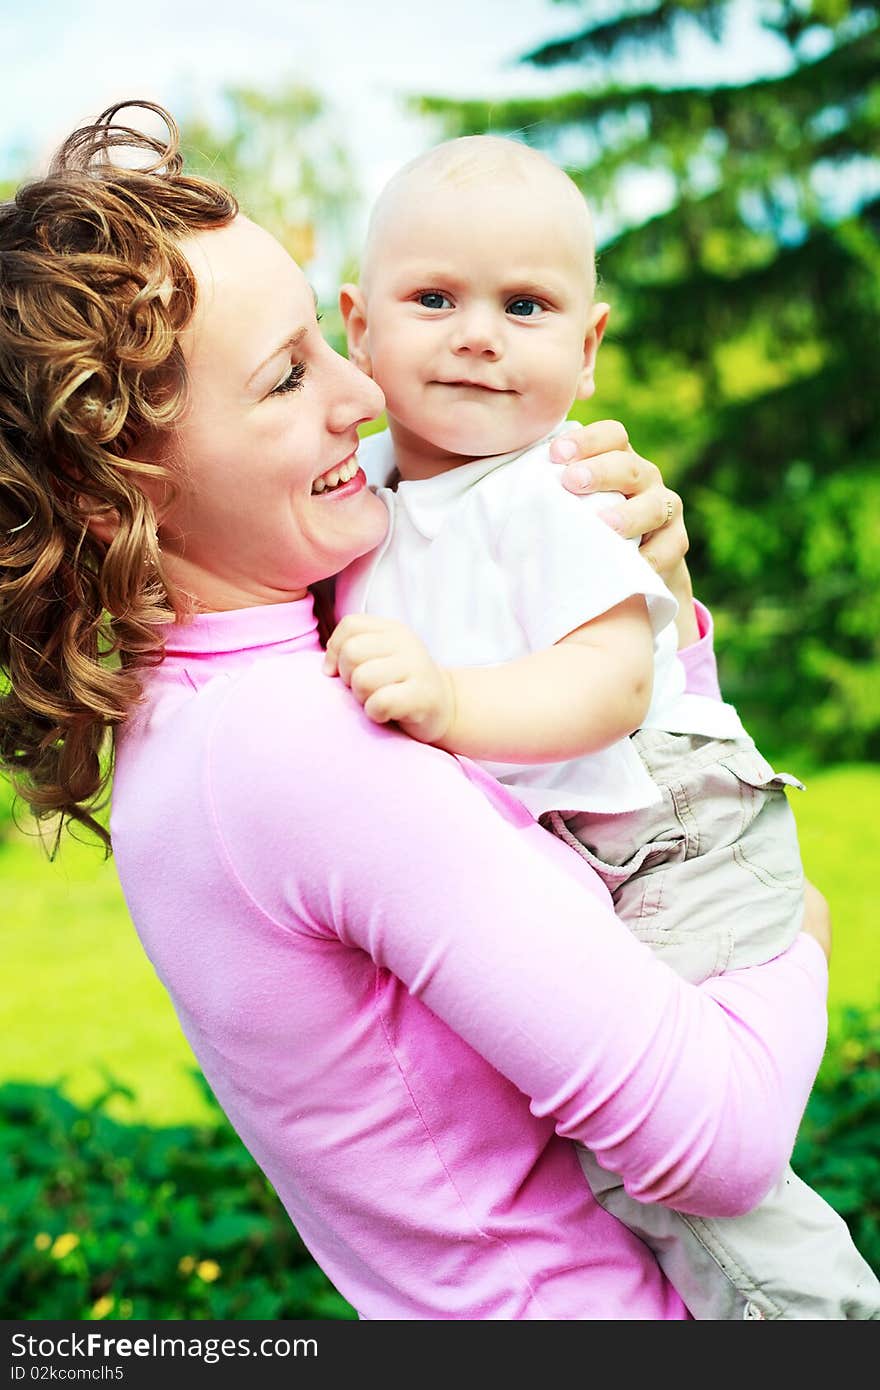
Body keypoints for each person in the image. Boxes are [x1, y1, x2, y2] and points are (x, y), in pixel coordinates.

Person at [0, 102, 837, 1322]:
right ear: (120, 484)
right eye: (288, 374)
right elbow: (714, 1142)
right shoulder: (308, 745)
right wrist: (800, 930)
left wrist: (657, 611)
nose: (364, 392)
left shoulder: (222, 692)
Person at [329, 135, 880, 1319]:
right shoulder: (364, 487)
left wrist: (450, 702)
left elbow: (611, 682)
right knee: (603, 1147)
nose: (478, 333)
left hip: (665, 820)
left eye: (524, 306)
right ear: (357, 326)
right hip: (578, 839)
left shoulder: (555, 485)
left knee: (674, 1156)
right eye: (435, 298)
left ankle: (821, 1319)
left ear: (585, 350)